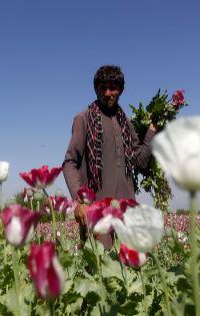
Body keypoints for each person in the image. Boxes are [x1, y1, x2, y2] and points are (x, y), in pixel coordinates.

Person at [62, 65, 157, 242]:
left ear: (120, 90)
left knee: (129, 267)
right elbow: (69, 163)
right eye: (102, 88)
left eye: (112, 88)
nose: (107, 93)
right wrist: (79, 201)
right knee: (101, 266)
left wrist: (151, 133)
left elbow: (140, 160)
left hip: (127, 214)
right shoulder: (83, 119)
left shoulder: (126, 124)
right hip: (98, 215)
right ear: (95, 89)